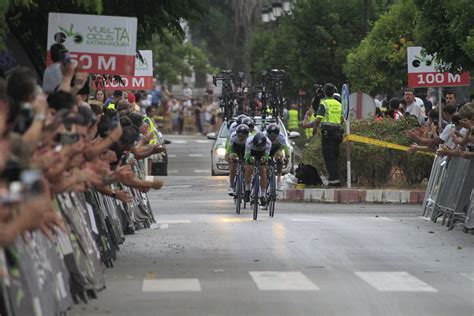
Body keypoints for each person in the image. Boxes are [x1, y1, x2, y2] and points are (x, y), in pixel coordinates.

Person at [313, 83, 344, 187]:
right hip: (338, 133)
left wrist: (315, 128)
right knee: (335, 156)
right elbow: (342, 119)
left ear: (325, 93)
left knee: (329, 157)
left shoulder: (324, 104)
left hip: (328, 134)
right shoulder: (339, 104)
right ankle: (335, 179)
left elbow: (318, 118)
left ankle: (334, 181)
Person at [244, 131, 271, 208]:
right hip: (251, 152)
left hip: (262, 153)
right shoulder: (249, 142)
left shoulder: (268, 143)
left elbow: (266, 156)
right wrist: (249, 159)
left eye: (261, 146)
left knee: (263, 170)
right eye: (257, 146)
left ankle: (263, 195)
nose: (259, 148)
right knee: (248, 168)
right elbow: (246, 157)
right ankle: (247, 189)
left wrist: (264, 159)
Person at [225, 124, 250, 195]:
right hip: (235, 149)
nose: (241, 138)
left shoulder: (250, 138)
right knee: (233, 165)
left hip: (245, 149)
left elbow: (249, 152)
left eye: (243, 136)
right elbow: (229, 147)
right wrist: (227, 155)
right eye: (239, 136)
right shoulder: (233, 136)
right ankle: (232, 186)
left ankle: (246, 181)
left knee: (247, 165)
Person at [265, 123, 289, 190]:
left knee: (279, 158)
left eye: (274, 136)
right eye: (271, 136)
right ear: (268, 133)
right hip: (266, 150)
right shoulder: (264, 135)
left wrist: (287, 157)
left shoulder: (281, 137)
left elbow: (285, 147)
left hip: (276, 149)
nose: (272, 138)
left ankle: (279, 180)